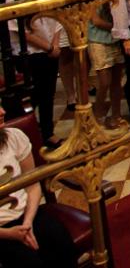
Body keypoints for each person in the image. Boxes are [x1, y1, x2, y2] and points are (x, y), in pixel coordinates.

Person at [0, 104, 79, 267]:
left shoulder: (14, 137)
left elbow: (32, 184)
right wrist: (9, 234)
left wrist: (27, 223)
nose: (3, 111)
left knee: (61, 242)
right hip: (2, 230)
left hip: (27, 215)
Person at [7, 0, 64, 149]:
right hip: (30, 54)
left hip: (51, 51)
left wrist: (55, 45)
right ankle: (26, 133)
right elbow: (22, 32)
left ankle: (48, 132)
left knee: (48, 94)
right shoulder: (13, 0)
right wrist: (49, 47)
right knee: (33, 96)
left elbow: (56, 22)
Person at [86, 0, 127, 129]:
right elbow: (95, 20)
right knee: (104, 82)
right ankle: (98, 116)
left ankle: (116, 115)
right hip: (99, 39)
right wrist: (118, 26)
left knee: (117, 81)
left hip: (115, 37)